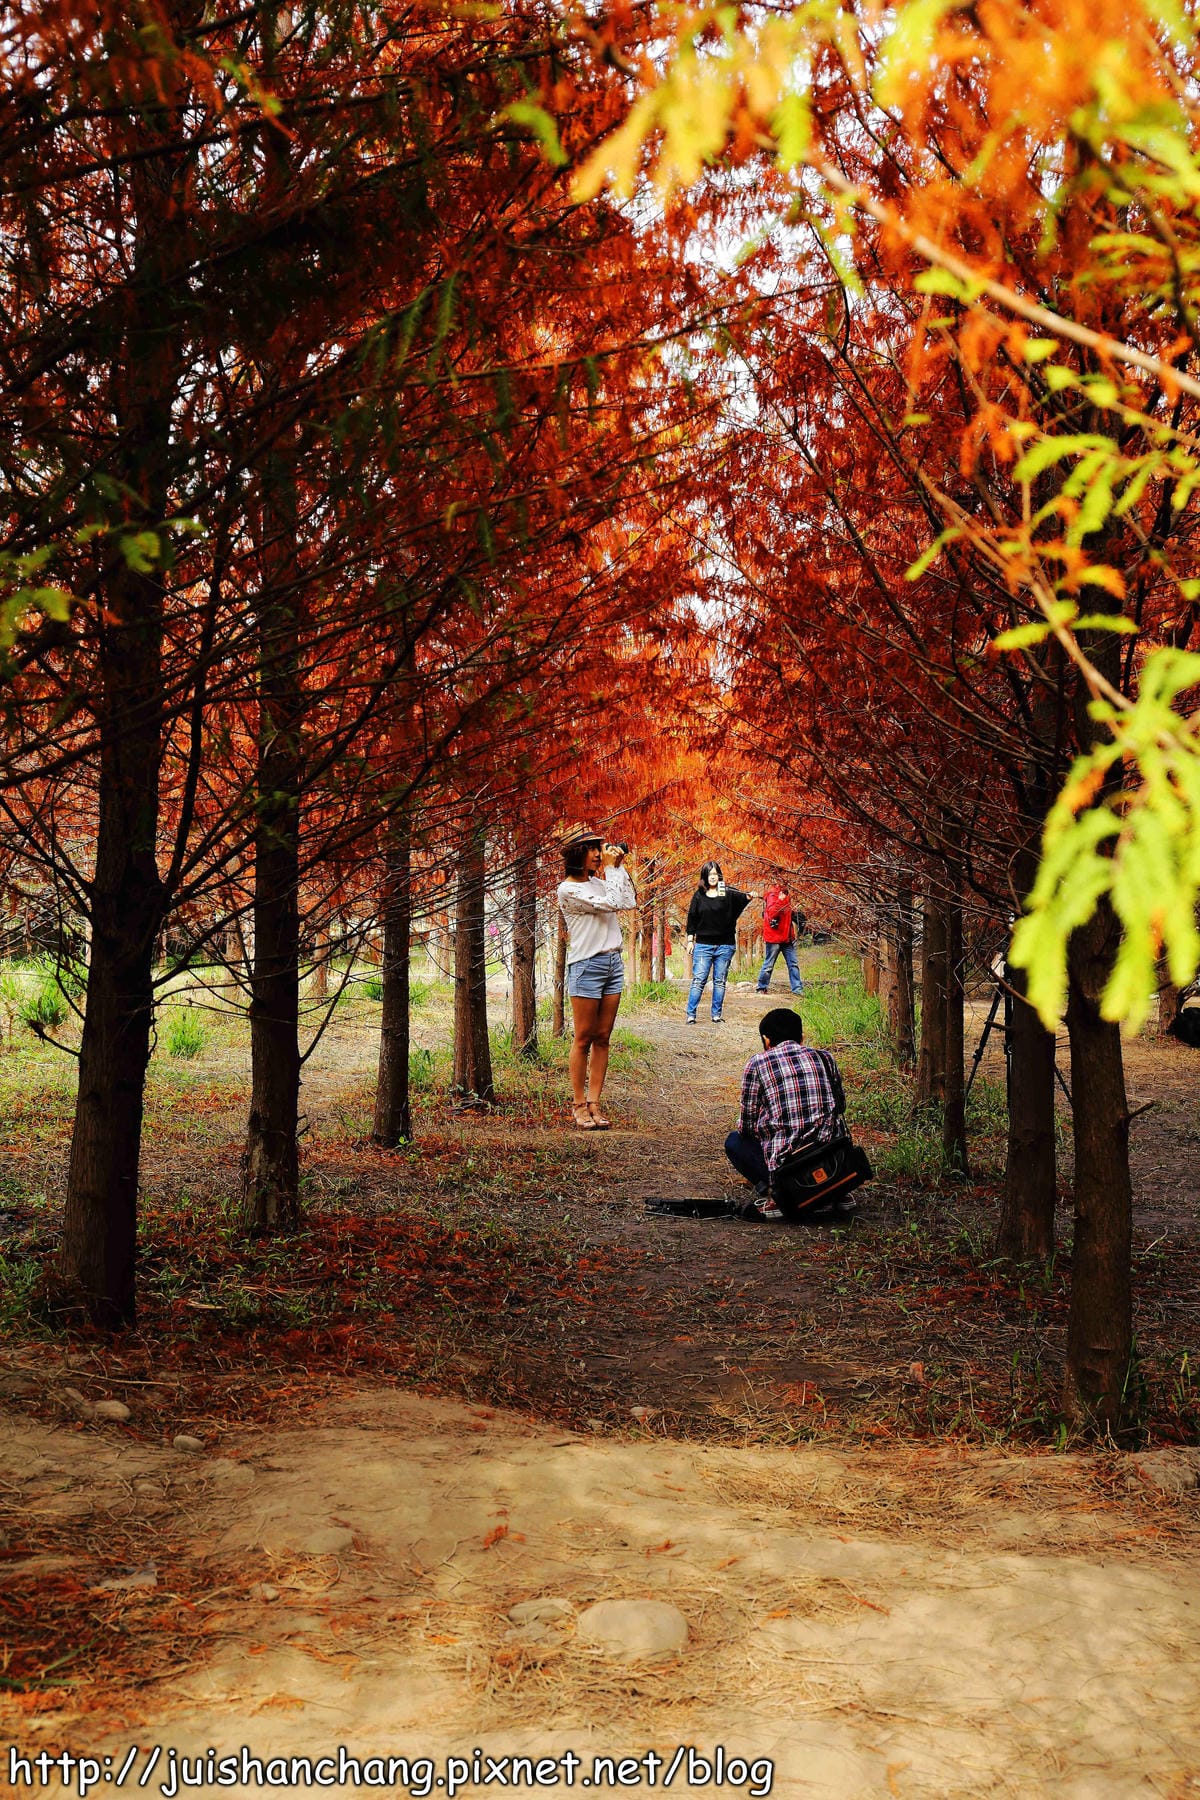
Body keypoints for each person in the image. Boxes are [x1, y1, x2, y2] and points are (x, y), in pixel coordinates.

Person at [724, 1008, 848, 1210]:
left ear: (766, 1040)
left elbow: (746, 1126)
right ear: (801, 1037)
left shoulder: (757, 1063)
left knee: (735, 1142)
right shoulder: (825, 1058)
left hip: (788, 1168)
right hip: (833, 1163)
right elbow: (840, 1106)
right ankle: (833, 1190)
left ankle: (780, 1193)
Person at [556, 824, 637, 1130]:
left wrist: (617, 870)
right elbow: (613, 903)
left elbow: (627, 901)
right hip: (587, 966)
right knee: (583, 1037)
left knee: (603, 1037)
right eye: (591, 849)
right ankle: (578, 1104)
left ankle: (595, 1103)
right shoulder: (569, 889)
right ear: (577, 853)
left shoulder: (602, 883)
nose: (596, 854)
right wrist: (612, 870)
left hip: (612, 964)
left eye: (597, 848)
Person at [684, 861, 752, 1024]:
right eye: (710, 874)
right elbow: (692, 917)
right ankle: (691, 1014)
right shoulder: (699, 895)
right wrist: (690, 940)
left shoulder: (726, 893)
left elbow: (742, 898)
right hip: (704, 945)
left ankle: (716, 1014)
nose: (712, 877)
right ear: (705, 877)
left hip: (725, 945)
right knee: (699, 979)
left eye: (715, 874)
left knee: (720, 981)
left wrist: (750, 896)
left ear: (719, 876)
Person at [755, 877, 805, 997]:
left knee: (793, 963)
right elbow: (772, 913)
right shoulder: (773, 895)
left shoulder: (785, 894)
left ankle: (797, 989)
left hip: (786, 936)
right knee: (769, 964)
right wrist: (781, 900)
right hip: (774, 938)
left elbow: (785, 916)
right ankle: (761, 987)